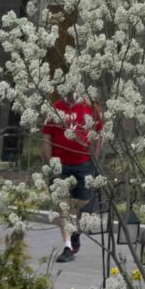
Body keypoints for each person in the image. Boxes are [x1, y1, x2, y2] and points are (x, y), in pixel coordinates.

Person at [41, 94, 103, 261]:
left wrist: (94, 158)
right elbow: (47, 136)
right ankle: (67, 246)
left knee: (84, 203)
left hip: (83, 163)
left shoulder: (90, 108)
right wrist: (50, 163)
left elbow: (98, 134)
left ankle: (76, 232)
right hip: (60, 164)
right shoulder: (54, 108)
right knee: (63, 205)